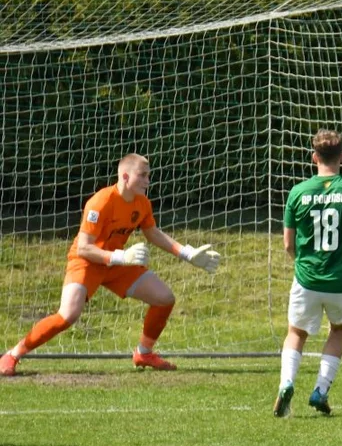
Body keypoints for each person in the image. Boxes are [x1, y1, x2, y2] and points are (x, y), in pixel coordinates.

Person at [0, 154, 220, 376]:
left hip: (118, 263)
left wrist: (186, 253)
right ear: (125, 176)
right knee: (68, 315)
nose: (147, 181)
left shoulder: (142, 203)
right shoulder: (101, 202)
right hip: (87, 262)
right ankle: (12, 355)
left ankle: (144, 353)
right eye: (142, 175)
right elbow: (84, 248)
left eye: (148, 175)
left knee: (164, 299)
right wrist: (120, 257)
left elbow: (152, 233)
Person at [273, 129, 342, 417]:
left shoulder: (298, 192)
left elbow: (287, 242)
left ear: (314, 157)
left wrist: (302, 262)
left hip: (307, 278)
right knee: (338, 330)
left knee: (296, 332)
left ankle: (286, 383)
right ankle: (321, 389)